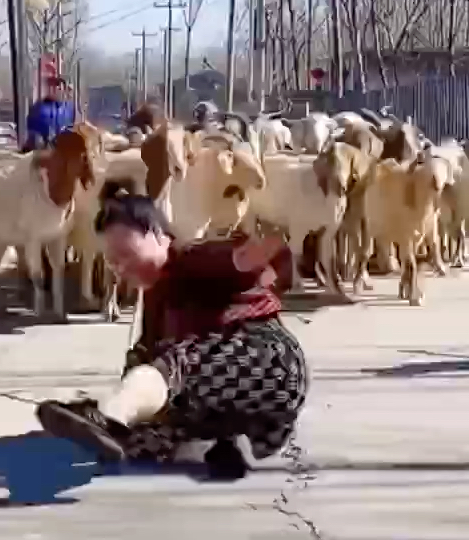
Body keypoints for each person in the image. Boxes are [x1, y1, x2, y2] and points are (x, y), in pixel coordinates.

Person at [35, 192, 308, 479]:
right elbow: (148, 373)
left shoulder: (192, 258)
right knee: (145, 432)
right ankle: (227, 445)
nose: (120, 268)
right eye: (112, 262)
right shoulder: (156, 308)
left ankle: (110, 417)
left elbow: (240, 259)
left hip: (269, 361)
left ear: (157, 234)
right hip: (262, 425)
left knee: (176, 362)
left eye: (126, 254)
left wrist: (265, 252)